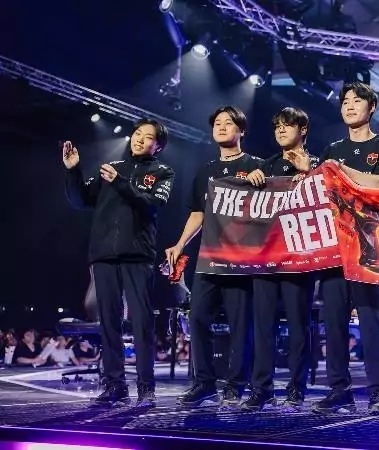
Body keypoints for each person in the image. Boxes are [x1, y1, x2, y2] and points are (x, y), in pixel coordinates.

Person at [63, 118, 173, 408]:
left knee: (142, 322)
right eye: (137, 133)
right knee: (109, 322)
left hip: (138, 255)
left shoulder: (162, 172)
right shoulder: (111, 168)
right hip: (104, 256)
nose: (139, 138)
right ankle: (114, 385)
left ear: (158, 146)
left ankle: (146, 388)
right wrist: (73, 171)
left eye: (147, 136)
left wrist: (121, 183)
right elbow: (80, 200)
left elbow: (152, 205)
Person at [311, 82, 379, 416]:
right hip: (334, 249)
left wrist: (339, 170)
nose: (349, 106)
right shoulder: (331, 148)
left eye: (356, 100)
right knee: (333, 323)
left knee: (370, 321)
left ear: (371, 107)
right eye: (344, 101)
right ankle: (339, 391)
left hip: (368, 249)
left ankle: (378, 393)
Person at [166, 106, 263, 408]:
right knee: (197, 318)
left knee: (240, 325)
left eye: (228, 123)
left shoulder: (257, 166)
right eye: (217, 123)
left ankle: (236, 385)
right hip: (208, 258)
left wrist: (263, 181)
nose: (221, 127)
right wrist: (180, 244)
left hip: (242, 261)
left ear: (241, 130)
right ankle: (204, 383)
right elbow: (198, 213)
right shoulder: (204, 171)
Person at [241, 107, 319, 411]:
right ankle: (262, 389)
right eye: (277, 126)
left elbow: (326, 199)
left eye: (288, 125)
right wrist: (251, 178)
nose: (281, 130)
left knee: (299, 326)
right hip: (265, 258)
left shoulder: (317, 164)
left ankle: (296, 388)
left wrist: (308, 174)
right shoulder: (265, 166)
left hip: (299, 257)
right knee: (263, 326)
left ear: (303, 130)